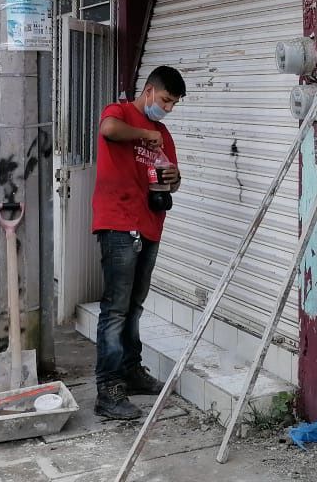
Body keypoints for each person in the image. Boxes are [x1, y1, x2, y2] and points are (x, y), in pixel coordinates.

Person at [90, 65, 185, 420]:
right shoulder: (120, 113)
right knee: (115, 308)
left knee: (135, 306)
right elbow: (109, 130)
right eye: (165, 100)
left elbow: (170, 178)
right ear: (148, 91)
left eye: (173, 104)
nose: (168, 108)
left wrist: (175, 178)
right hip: (117, 224)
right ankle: (108, 389)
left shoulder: (163, 134)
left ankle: (131, 370)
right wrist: (143, 132)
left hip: (149, 226)